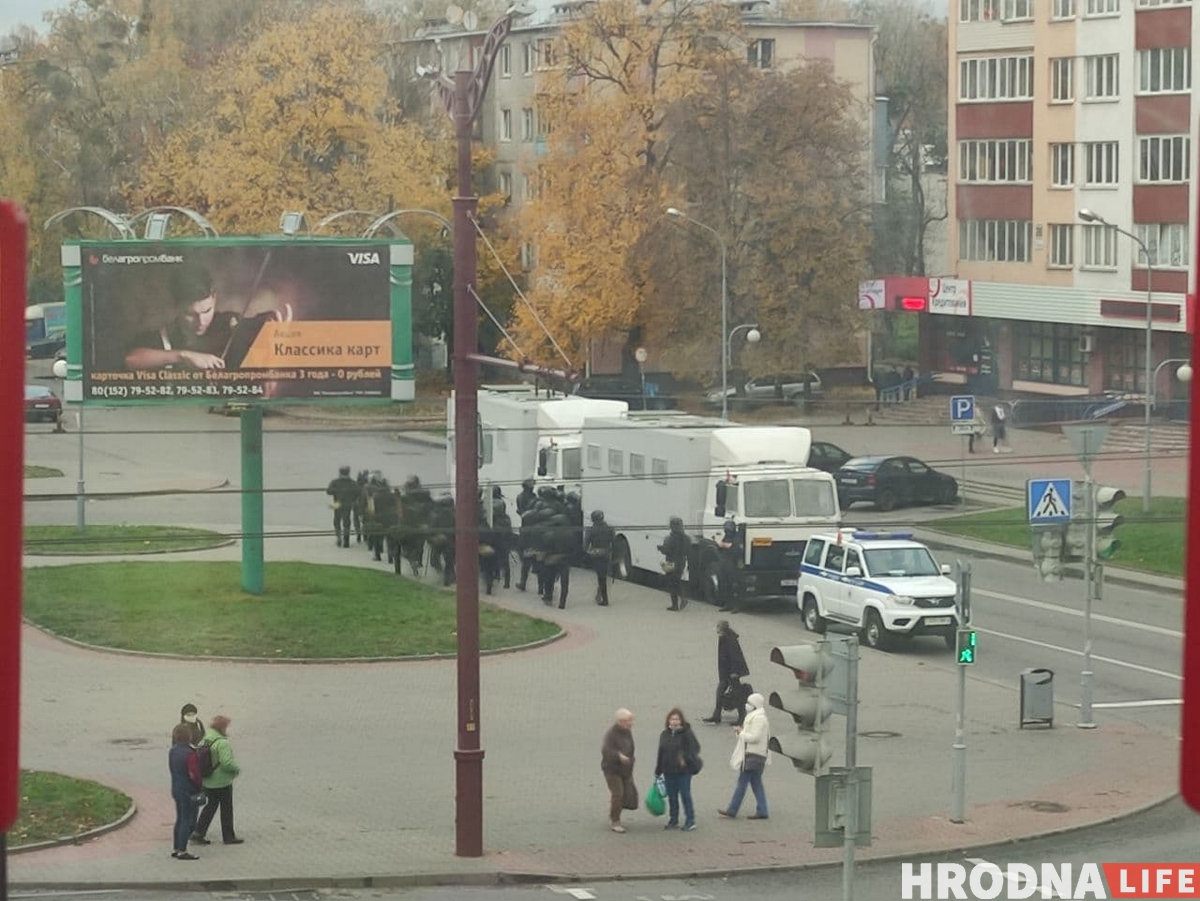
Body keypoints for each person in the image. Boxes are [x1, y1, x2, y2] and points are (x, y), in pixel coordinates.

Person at [192, 714, 243, 846]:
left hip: (208, 780)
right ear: (223, 727)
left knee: (210, 806)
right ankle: (228, 836)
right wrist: (236, 769)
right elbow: (226, 762)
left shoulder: (206, 738)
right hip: (222, 781)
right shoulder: (222, 743)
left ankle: (198, 832)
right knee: (226, 808)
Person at [717, 693, 770, 821]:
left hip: (752, 755)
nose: (747, 705)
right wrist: (740, 733)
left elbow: (754, 737)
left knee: (742, 782)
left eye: (749, 703)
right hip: (757, 755)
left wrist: (741, 733)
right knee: (756, 783)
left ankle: (732, 809)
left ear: (755, 705)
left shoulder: (758, 719)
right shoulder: (757, 717)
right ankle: (762, 810)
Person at [654, 708, 701, 832]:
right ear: (668, 720)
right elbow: (661, 752)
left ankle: (690, 820)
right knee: (672, 797)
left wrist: (684, 757)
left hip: (683, 771)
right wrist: (658, 770)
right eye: (672, 719)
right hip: (668, 771)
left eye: (677, 719)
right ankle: (673, 820)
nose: (674, 721)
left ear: (681, 721)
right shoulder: (664, 734)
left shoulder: (687, 733)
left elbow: (695, 748)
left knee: (685, 795)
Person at [704, 620, 750, 726]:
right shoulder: (725, 637)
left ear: (722, 629)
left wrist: (734, 671)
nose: (716, 630)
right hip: (727, 671)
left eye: (718, 627)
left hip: (732, 672)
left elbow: (735, 656)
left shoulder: (729, 640)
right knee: (721, 692)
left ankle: (741, 716)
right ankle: (717, 715)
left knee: (737, 694)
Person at [601, 708, 637, 834]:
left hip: (625, 770)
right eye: (629, 720)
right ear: (621, 721)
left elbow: (631, 748)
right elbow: (606, 750)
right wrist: (619, 756)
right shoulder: (611, 734)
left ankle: (613, 813)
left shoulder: (627, 731)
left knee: (627, 795)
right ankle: (615, 821)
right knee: (618, 794)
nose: (632, 723)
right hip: (612, 770)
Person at [168, 723, 201, 860]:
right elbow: (194, 775)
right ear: (189, 736)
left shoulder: (173, 751)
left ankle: (176, 848)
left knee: (180, 818)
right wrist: (200, 786)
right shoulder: (190, 753)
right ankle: (182, 850)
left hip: (176, 788)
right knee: (188, 820)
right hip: (188, 790)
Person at [658, 516, 689, 611]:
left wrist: (660, 548)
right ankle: (683, 598)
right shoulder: (686, 538)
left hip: (671, 562)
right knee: (677, 581)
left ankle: (675, 605)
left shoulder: (670, 538)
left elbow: (666, 550)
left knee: (672, 583)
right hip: (681, 562)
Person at [326, 466, 360, 548]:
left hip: (337, 503)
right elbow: (358, 493)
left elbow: (328, 491)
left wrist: (337, 492)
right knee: (346, 522)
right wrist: (352, 499)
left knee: (337, 521)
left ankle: (338, 536)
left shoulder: (335, 482)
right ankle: (346, 541)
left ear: (340, 473)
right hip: (348, 504)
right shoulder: (352, 483)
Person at [586, 510, 614, 606]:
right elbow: (613, 541)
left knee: (601, 577)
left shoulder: (591, 530)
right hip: (606, 554)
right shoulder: (610, 528)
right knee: (603, 576)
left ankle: (604, 599)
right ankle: (600, 594)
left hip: (596, 555)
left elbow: (586, 544)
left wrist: (588, 552)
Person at [716, 520, 743, 613]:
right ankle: (728, 604)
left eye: (728, 529)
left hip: (734, 564)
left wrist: (728, 546)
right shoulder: (727, 537)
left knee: (735, 585)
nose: (727, 532)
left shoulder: (737, 536)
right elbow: (721, 545)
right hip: (725, 563)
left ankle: (737, 606)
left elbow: (738, 549)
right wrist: (721, 545)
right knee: (725, 585)